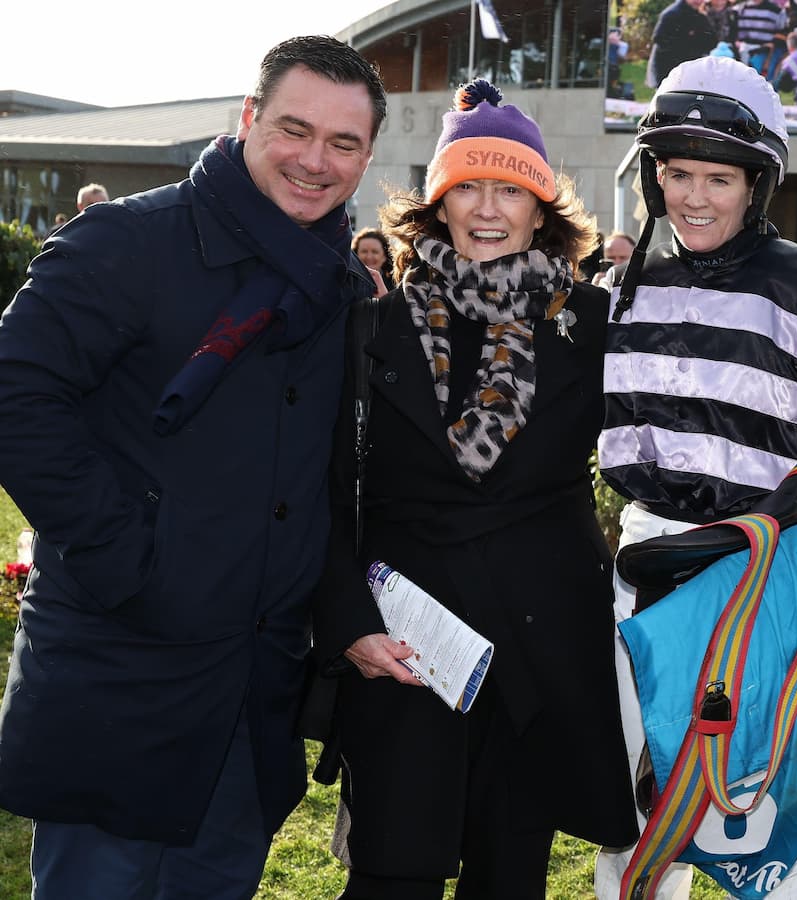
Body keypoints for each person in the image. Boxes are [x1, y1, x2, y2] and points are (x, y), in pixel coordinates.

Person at [0, 36, 385, 897]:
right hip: (119, 670)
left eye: (344, 143)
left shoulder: (343, 288)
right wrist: (130, 558)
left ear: (365, 158)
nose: (315, 161)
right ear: (248, 119)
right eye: (294, 129)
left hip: (251, 697)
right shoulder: (126, 240)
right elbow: (16, 397)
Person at [311, 80, 637, 898]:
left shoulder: (593, 324)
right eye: (468, 188)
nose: (488, 210)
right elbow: (326, 492)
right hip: (405, 653)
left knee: (509, 880)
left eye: (511, 190)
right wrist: (349, 624)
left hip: (538, 654)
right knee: (391, 877)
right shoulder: (372, 327)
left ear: (541, 208)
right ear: (438, 204)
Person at [594, 55, 797, 899]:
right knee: (634, 810)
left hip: (759, 574)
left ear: (757, 186)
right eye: (678, 175)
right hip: (642, 565)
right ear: (653, 177)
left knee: (761, 812)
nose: (695, 197)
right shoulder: (619, 289)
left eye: (719, 179)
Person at [649, 0, 718, 86]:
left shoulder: (698, 15)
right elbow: (659, 39)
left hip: (689, 68)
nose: (698, 1)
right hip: (669, 69)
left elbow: (712, 41)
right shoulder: (672, 14)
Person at [732, 0, 789, 79]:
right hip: (743, 49)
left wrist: (772, 46)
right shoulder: (739, 9)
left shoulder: (777, 10)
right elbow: (733, 32)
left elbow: (783, 33)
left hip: (766, 52)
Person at [352, 226, 394, 296]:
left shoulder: (396, 286)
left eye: (375, 252)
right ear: (356, 255)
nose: (369, 257)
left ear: (384, 256)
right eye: (364, 251)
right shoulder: (347, 284)